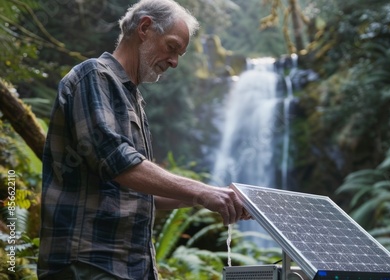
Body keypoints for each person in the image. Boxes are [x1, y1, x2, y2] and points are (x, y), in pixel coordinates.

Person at [37, 0, 250, 279]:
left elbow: (144, 191)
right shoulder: (93, 76)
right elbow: (117, 160)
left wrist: (212, 197)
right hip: (89, 263)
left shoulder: (132, 98)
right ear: (145, 27)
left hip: (131, 267)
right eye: (172, 47)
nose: (174, 62)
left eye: (180, 55)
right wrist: (201, 191)